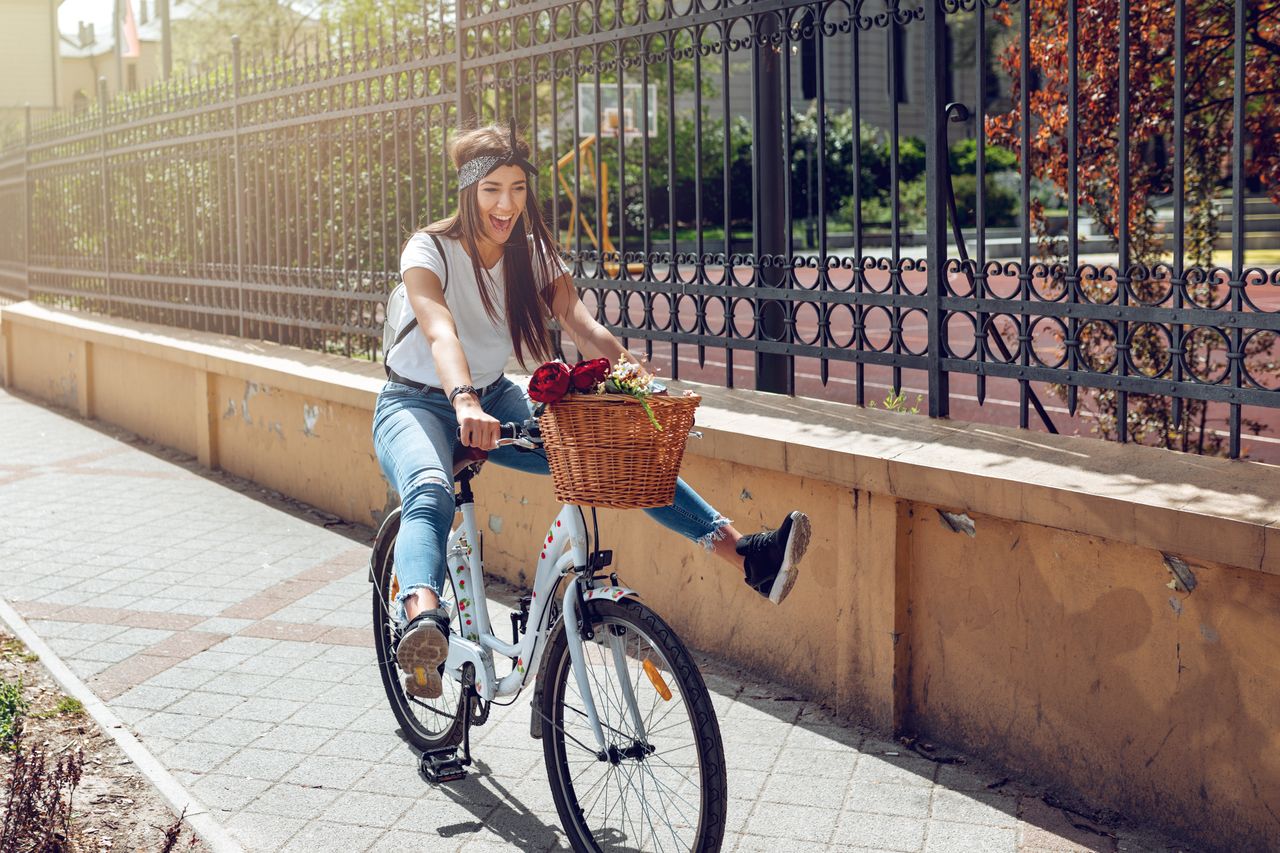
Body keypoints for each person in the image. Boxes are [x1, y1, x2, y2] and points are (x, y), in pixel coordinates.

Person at [372, 124, 811, 699]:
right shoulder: (429, 249)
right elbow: (439, 331)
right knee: (429, 492)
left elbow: (583, 325)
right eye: (491, 191)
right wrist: (463, 401)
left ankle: (749, 556)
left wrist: (637, 383)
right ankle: (422, 624)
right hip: (417, 400)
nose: (506, 204)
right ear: (466, 191)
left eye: (517, 189)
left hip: (491, 394)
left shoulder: (531, 253)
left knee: (620, 456)